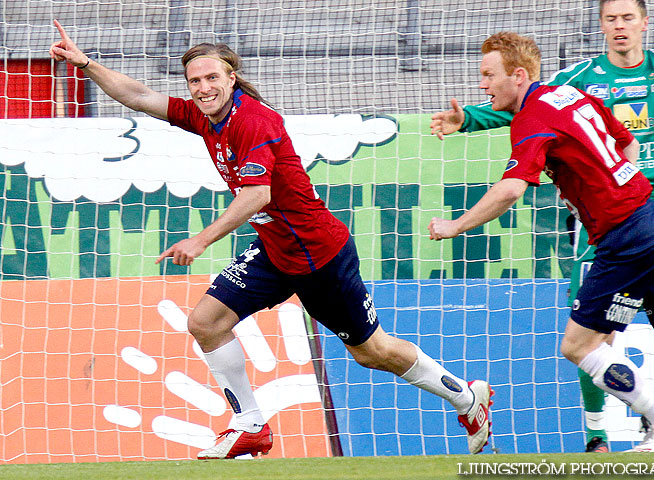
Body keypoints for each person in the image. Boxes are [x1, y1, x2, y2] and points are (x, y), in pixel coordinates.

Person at [49, 20, 494, 458]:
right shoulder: (206, 116)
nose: (202, 88)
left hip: (318, 255)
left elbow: (257, 193)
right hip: (275, 250)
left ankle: (466, 398)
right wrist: (85, 62)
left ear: (231, 77)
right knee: (205, 322)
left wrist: (202, 240)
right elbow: (139, 96)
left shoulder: (253, 121)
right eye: (194, 81)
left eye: (211, 78)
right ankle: (250, 425)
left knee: (372, 352)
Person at [430, 0, 654, 453]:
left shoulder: (534, 117)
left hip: (626, 235)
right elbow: (628, 143)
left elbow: (511, 189)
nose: (483, 84)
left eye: (489, 75)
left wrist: (457, 226)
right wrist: (598, 184)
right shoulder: (572, 94)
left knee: (578, 345)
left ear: (518, 76)